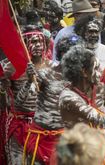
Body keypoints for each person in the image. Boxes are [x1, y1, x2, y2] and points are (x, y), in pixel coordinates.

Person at [59, 46, 105, 164]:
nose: (101, 73)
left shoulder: (99, 88)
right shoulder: (68, 97)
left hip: (100, 153)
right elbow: (104, 122)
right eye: (97, 69)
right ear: (84, 72)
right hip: (77, 156)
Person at [21, 35, 81, 165]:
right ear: (62, 54)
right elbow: (20, 102)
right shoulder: (46, 74)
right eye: (70, 55)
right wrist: (28, 81)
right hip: (41, 138)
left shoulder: (81, 80)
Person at [5, 30, 47, 165]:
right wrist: (29, 81)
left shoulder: (53, 67)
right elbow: (15, 104)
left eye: (41, 41)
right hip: (19, 126)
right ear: (24, 44)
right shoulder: (11, 67)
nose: (39, 45)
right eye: (34, 41)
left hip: (44, 127)